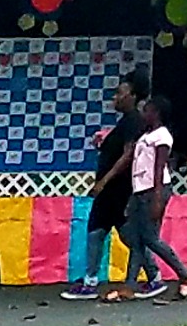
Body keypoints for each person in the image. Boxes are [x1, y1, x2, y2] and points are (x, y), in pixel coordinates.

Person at [61, 78, 143, 302]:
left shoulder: (133, 122)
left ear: (133, 97)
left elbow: (128, 154)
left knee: (106, 233)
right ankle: (151, 275)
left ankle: (91, 281)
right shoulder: (125, 122)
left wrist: (104, 181)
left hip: (116, 189)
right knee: (110, 233)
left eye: (120, 93)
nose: (114, 98)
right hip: (113, 190)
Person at [120, 97, 187, 302]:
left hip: (154, 190)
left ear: (156, 113)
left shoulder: (162, 136)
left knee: (150, 238)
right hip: (140, 190)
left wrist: (158, 199)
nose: (144, 115)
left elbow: (159, 167)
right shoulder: (145, 135)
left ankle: (184, 272)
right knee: (136, 238)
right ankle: (130, 283)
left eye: (147, 111)